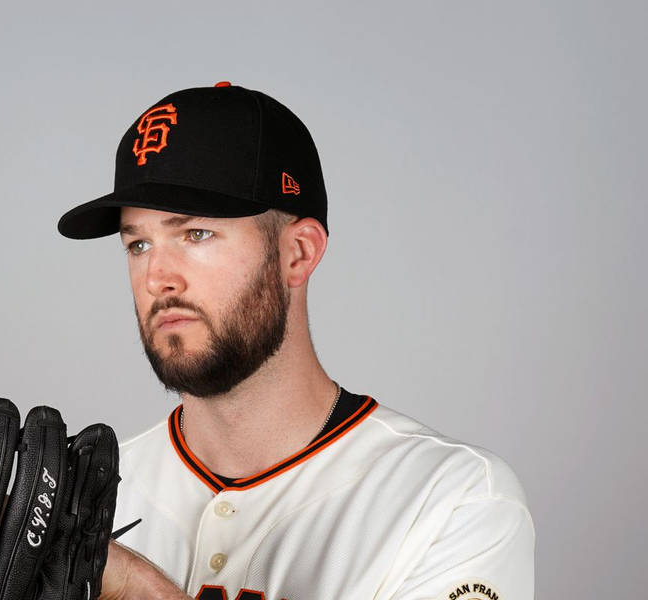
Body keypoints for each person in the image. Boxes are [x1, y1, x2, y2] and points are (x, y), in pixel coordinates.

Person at [57, 82, 534, 600]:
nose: (157, 278)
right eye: (139, 243)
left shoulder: (451, 500)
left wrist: (136, 589)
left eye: (195, 234)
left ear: (298, 253)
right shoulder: (86, 497)